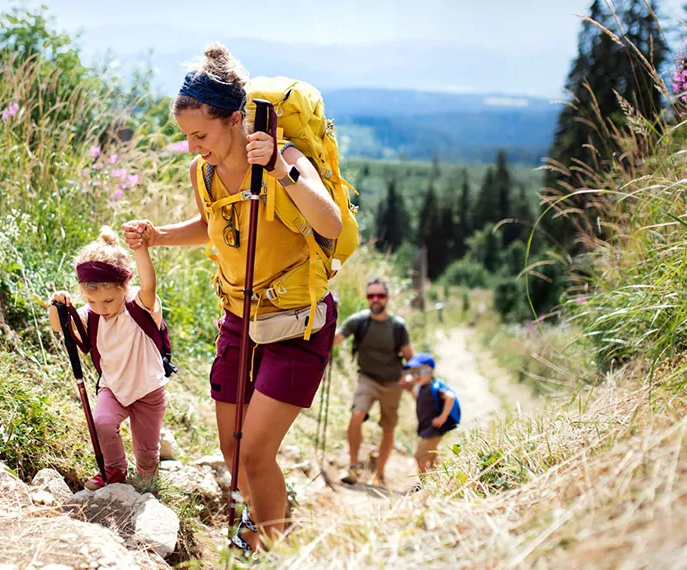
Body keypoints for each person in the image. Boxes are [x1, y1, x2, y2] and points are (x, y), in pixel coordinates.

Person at [120, 42, 341, 553]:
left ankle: (271, 550)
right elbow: (214, 225)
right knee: (233, 450)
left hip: (297, 323)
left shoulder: (283, 157)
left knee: (257, 453)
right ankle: (262, 530)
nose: (195, 147)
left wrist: (282, 173)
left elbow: (328, 221)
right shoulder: (205, 171)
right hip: (239, 318)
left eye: (201, 135)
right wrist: (158, 235)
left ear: (237, 119)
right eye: (187, 137)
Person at [48, 227, 167, 490]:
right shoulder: (92, 315)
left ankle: (148, 481)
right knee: (102, 422)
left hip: (148, 389)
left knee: (146, 450)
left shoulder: (139, 304)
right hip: (113, 386)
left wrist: (140, 249)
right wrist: (56, 305)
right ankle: (114, 471)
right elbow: (60, 327)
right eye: (92, 301)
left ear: (125, 286)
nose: (102, 309)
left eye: (109, 301)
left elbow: (149, 284)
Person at [332, 277, 415, 487]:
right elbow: (335, 339)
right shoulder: (358, 321)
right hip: (367, 378)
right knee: (356, 415)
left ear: (388, 298)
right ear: (367, 298)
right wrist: (328, 317)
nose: (376, 300)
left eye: (380, 295)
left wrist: (411, 376)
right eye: (371, 296)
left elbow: (410, 358)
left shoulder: (397, 326)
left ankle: (380, 474)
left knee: (388, 428)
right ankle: (353, 467)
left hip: (392, 383)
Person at [404, 353, 461, 473]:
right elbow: (422, 402)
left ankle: (425, 482)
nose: (415, 376)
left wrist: (442, 417)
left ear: (430, 371)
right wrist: (410, 392)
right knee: (431, 456)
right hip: (427, 428)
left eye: (419, 372)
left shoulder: (434, 387)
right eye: (413, 373)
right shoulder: (421, 388)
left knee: (419, 456)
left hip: (435, 428)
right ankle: (436, 479)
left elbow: (450, 397)